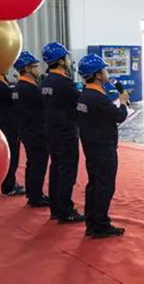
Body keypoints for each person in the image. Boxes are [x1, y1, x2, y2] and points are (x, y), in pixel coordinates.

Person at [76, 54, 129, 238]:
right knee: (104, 186)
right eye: (104, 70)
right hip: (103, 147)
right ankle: (100, 224)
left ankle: (91, 221)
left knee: (94, 183)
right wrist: (123, 102)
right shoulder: (98, 98)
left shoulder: (84, 95)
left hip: (91, 146)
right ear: (98, 75)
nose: (107, 73)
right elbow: (119, 116)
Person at [41, 42, 85, 223]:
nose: (68, 60)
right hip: (66, 132)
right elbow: (79, 103)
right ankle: (66, 211)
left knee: (56, 170)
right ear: (60, 61)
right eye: (66, 57)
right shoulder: (65, 83)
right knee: (67, 172)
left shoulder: (46, 81)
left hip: (52, 131)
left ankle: (56, 208)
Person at [13, 52, 50, 207]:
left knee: (32, 164)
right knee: (38, 165)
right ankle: (36, 197)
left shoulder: (18, 87)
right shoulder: (30, 89)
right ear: (27, 68)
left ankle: (33, 194)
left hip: (27, 130)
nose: (37, 69)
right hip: (36, 132)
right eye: (35, 66)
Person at [0, 71, 25, 197]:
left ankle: (8, 183)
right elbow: (14, 99)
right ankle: (9, 186)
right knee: (12, 156)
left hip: (1, 123)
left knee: (9, 156)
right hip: (8, 125)